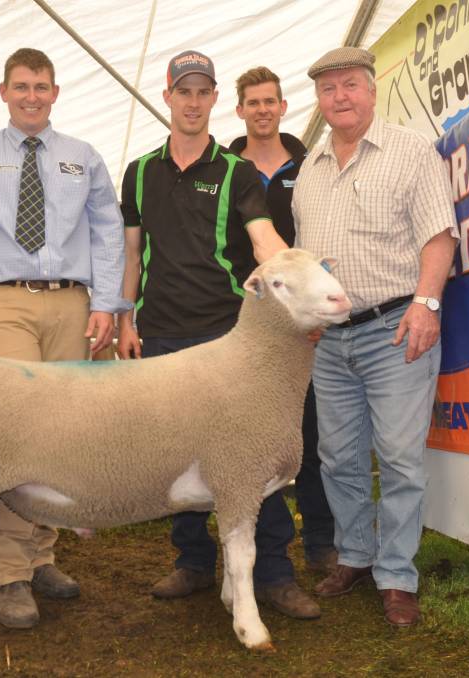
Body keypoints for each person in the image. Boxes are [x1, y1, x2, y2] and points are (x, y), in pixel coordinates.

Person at [117, 51, 319, 620]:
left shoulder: (236, 172)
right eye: (184, 91)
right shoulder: (139, 172)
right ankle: (193, 561)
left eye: (202, 91)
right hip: (159, 332)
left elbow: (264, 242)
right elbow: (132, 254)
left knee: (252, 458)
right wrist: (126, 317)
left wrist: (300, 296)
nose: (192, 101)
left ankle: (275, 573)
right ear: (169, 97)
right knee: (172, 448)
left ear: (212, 102)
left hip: (227, 334)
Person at [0, 47, 128, 629]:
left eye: (41, 86)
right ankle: (11, 576)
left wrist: (106, 304)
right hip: (2, 301)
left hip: (71, 302)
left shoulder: (83, 157)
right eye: (21, 86)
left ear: (55, 92)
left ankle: (42, 556)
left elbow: (107, 233)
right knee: (14, 433)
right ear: (3, 91)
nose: (31, 96)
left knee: (60, 436)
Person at [292, 47, 458, 627]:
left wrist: (427, 303)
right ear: (319, 100)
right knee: (336, 457)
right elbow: (305, 261)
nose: (339, 97)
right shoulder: (308, 171)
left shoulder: (410, 152)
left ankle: (397, 577)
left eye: (350, 86)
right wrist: (308, 317)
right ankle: (356, 556)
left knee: (400, 458)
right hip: (331, 341)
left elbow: (439, 236)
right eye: (329, 88)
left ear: (371, 89)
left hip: (396, 330)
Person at [227, 66, 337, 574]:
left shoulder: (312, 163)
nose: (263, 110)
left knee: (310, 430)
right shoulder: (224, 168)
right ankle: (242, 548)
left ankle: (319, 538)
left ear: (283, 106)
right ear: (240, 109)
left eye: (271, 101)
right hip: (244, 321)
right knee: (244, 435)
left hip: (302, 325)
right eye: (253, 102)